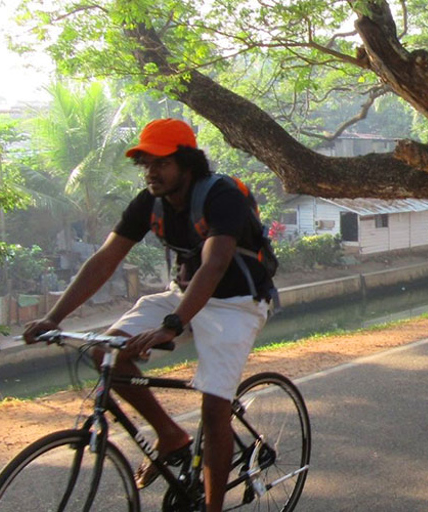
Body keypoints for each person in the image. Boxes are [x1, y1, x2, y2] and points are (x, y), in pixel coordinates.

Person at [23, 118, 273, 512]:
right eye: (146, 163)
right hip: (184, 295)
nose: (151, 172)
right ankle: (171, 436)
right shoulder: (149, 203)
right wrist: (55, 318)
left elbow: (216, 263)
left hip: (236, 302)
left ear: (187, 163)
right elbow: (106, 258)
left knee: (213, 408)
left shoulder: (221, 195)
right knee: (108, 352)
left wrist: (171, 325)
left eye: (161, 162)